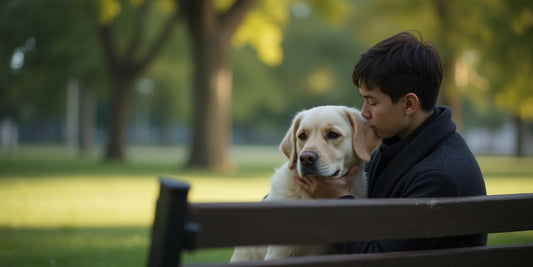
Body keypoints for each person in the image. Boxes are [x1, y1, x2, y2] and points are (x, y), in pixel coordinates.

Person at [295, 31, 487, 253]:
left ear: (408, 104)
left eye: (372, 102)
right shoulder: (395, 145)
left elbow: (379, 258)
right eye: (363, 100)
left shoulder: (441, 176)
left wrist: (338, 200)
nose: (364, 113)